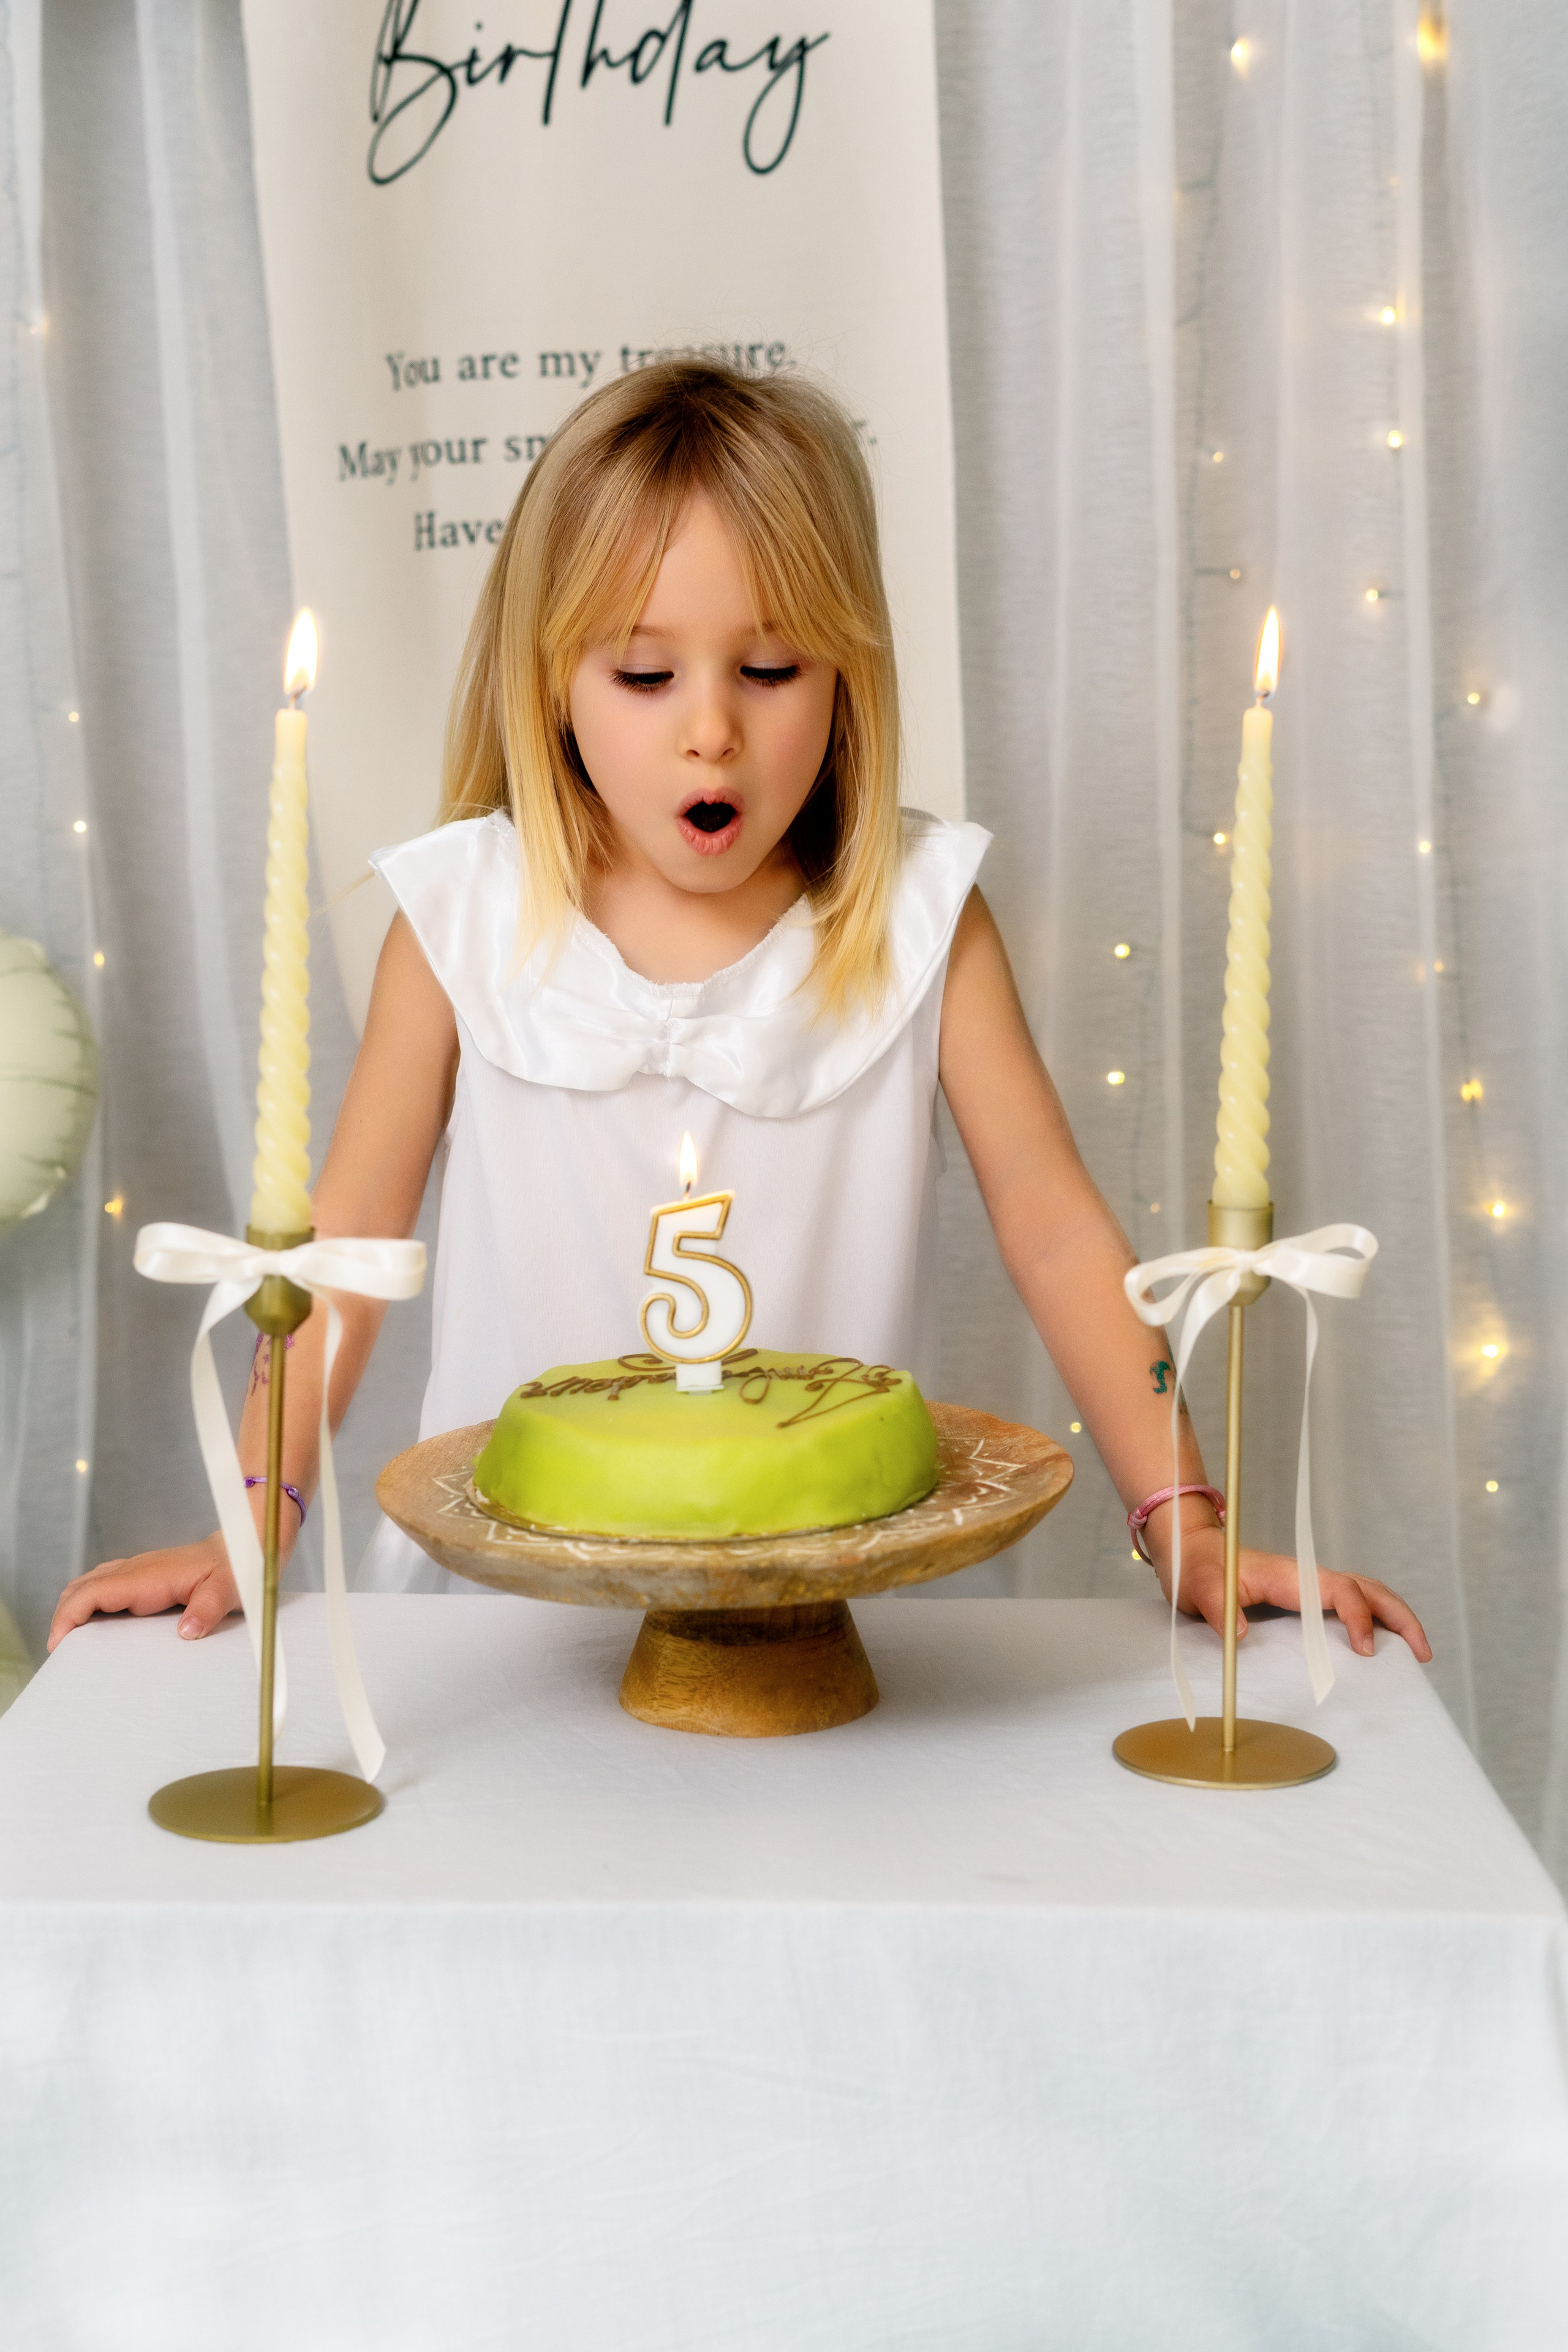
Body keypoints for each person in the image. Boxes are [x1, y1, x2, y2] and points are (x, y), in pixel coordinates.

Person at [48, 361, 1430, 1665]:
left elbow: (1057, 1228)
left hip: (829, 1613)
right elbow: (333, 1262)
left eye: (769, 671)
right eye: (643, 676)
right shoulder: (456, 913)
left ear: (844, 677)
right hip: (505, 1637)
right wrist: (254, 1526)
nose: (708, 730)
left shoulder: (915, 914)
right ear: (551, 679)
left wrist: (1184, 1522)